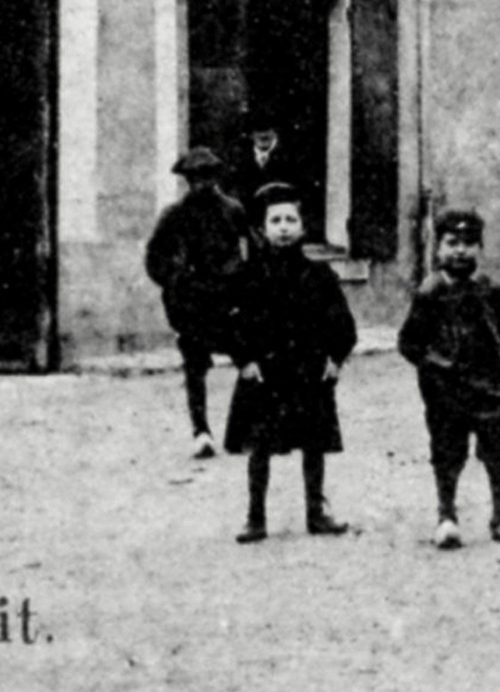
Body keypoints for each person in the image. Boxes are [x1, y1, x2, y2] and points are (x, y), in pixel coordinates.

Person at [223, 182, 357, 543]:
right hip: (265, 375)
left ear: (302, 227)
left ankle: (316, 513)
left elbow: (342, 323)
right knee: (260, 446)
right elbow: (233, 323)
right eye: (275, 220)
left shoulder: (320, 275)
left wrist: (336, 359)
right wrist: (244, 360)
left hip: (308, 372)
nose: (283, 227)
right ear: (263, 228)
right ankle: (255, 518)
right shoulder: (249, 276)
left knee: (313, 444)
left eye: (290, 219)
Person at [398, 206, 500, 550]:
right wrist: (436, 366)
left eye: (469, 243)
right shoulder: (430, 293)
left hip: (492, 391)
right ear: (438, 247)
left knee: (499, 451)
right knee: (447, 451)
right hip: (447, 392)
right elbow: (409, 343)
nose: (460, 250)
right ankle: (446, 517)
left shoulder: (493, 290)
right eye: (452, 242)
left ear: (480, 249)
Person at [144, 147, 250, 460]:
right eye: (194, 178)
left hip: (229, 299)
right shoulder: (174, 216)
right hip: (191, 304)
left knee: (248, 360)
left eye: (207, 177)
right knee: (195, 367)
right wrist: (174, 282)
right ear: (187, 181)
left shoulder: (233, 210)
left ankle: (239, 432)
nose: (202, 184)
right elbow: (154, 259)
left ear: (217, 177)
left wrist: (245, 281)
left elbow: (252, 249)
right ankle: (201, 432)